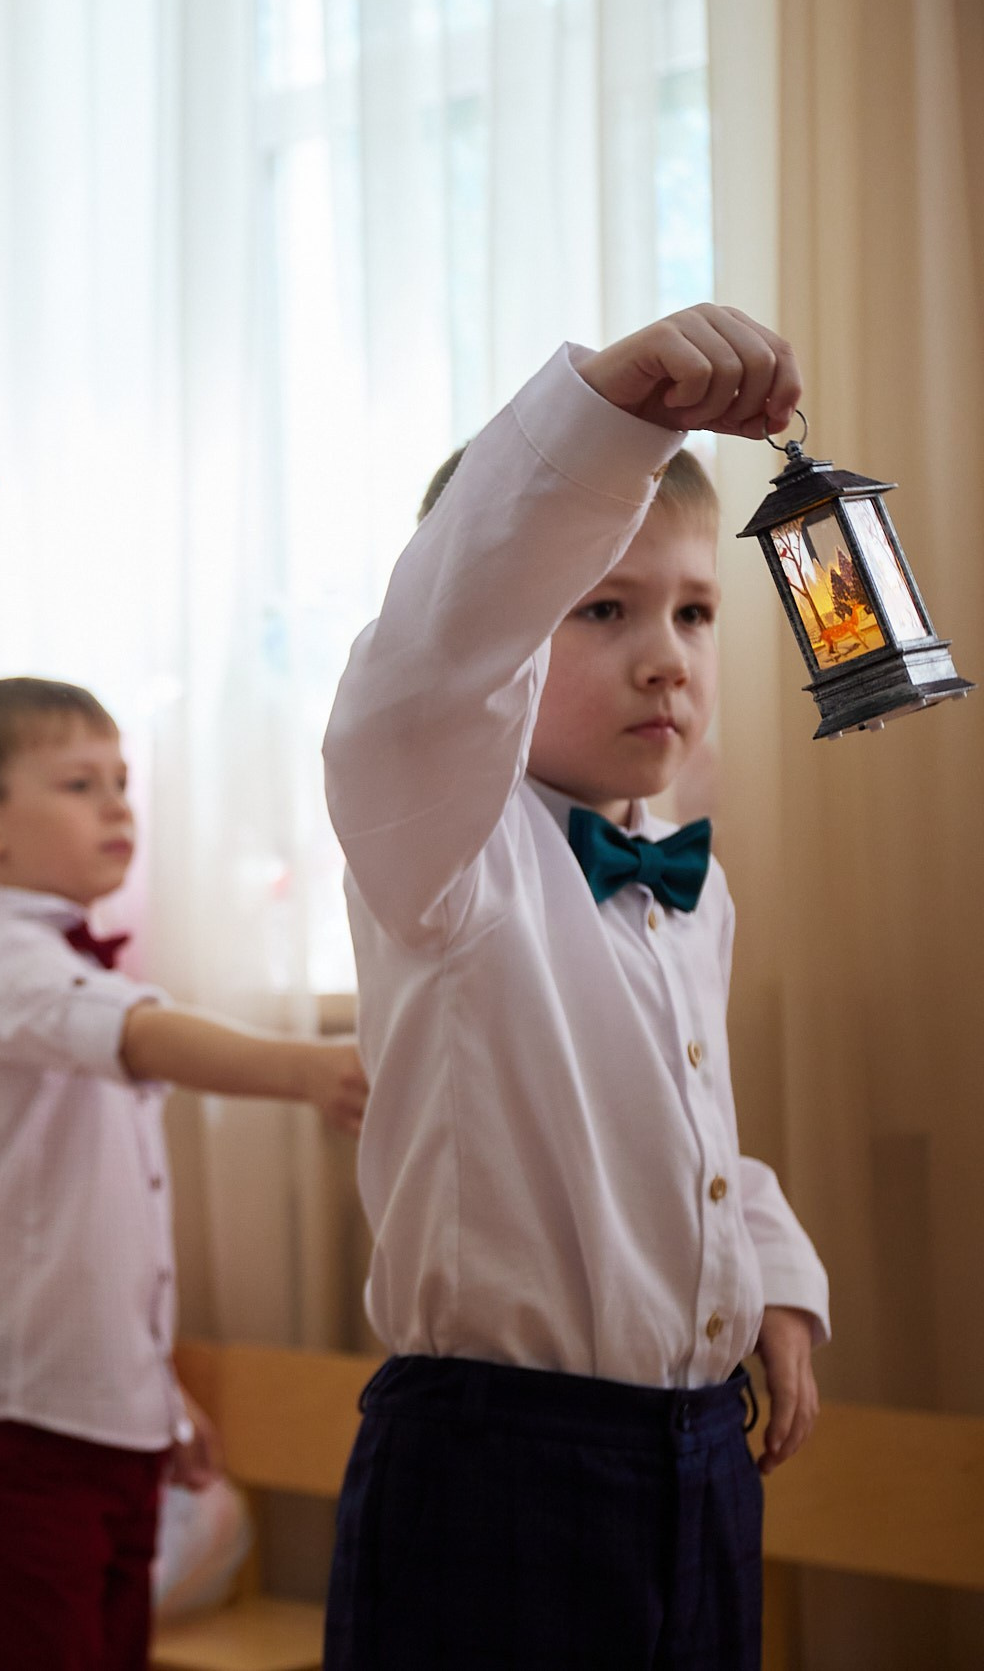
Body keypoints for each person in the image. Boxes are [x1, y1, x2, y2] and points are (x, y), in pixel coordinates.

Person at [321, 305, 831, 1670]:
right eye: (602, 608)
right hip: (497, 1472)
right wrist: (606, 411)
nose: (667, 653)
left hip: (698, 1457)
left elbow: (688, 1136)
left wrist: (767, 1274)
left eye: (694, 610)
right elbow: (432, 659)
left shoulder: (691, 885)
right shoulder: (445, 836)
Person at [0, 676, 366, 1671]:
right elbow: (142, 1036)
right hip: (12, 1426)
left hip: (104, 1421)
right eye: (80, 785)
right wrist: (310, 1070)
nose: (118, 805)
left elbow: (109, 1246)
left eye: (121, 781)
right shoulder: (6, 971)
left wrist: (155, 1393)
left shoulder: (82, 974)